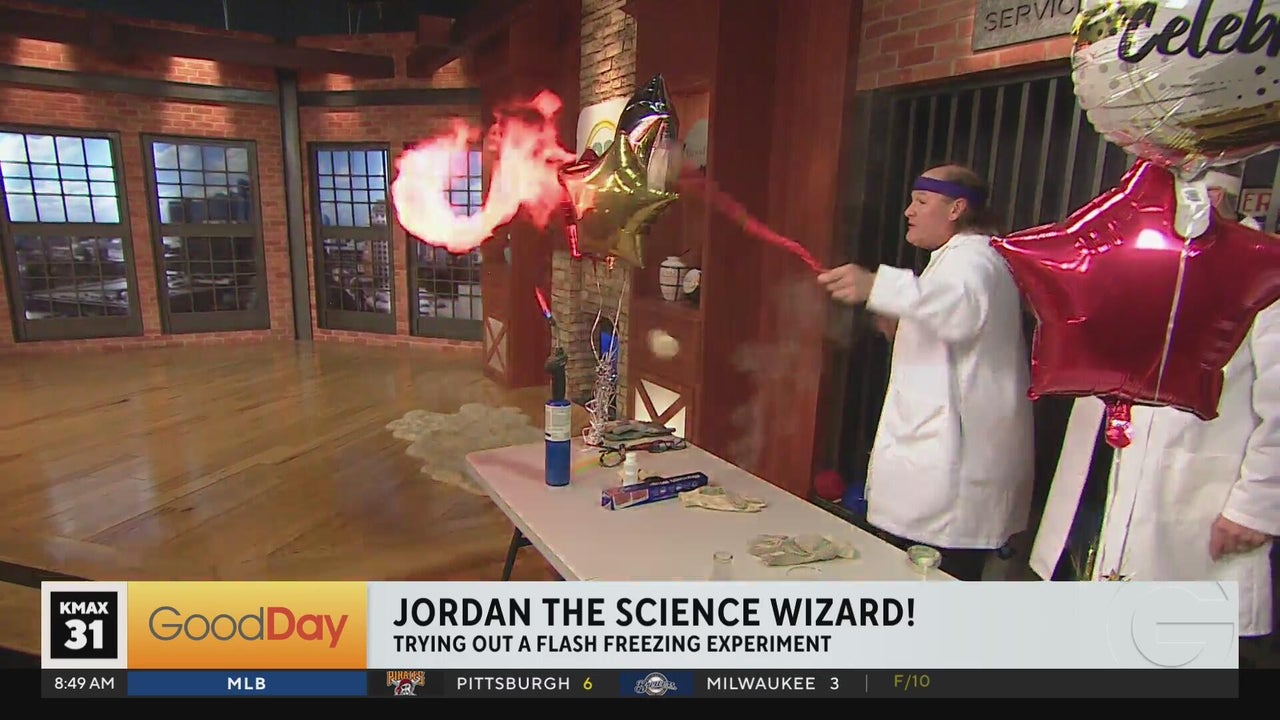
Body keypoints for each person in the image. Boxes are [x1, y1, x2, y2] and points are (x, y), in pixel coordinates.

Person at [1030, 167, 1278, 650]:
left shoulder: (1263, 269)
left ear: (1210, 197)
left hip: (1196, 493)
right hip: (1104, 469)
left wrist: (1256, 507)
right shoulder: (1145, 256)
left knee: (1172, 640)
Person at [819, 163, 1036, 581]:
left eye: (921, 201)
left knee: (934, 591)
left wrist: (877, 285)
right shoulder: (956, 261)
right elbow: (955, 324)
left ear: (956, 208)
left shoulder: (975, 259)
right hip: (937, 480)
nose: (909, 211)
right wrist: (902, 324)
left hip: (952, 487)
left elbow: (959, 307)